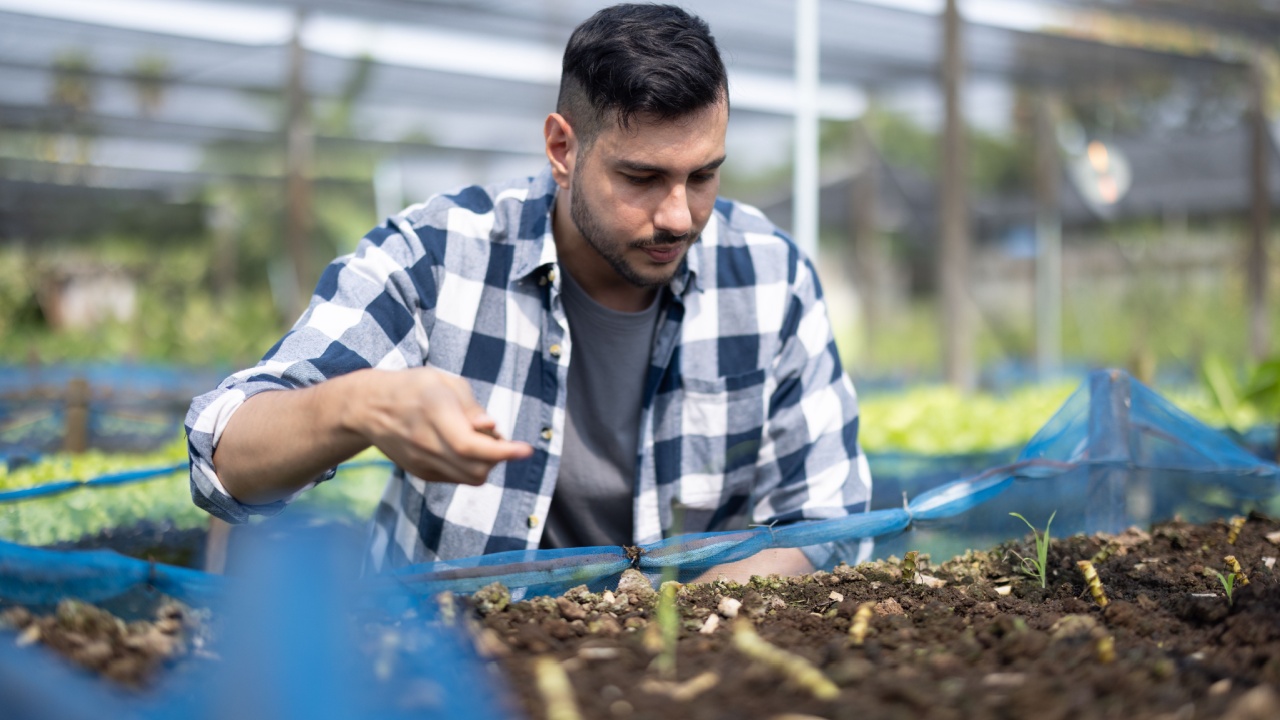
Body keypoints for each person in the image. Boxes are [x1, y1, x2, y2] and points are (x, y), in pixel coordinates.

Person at [185, 3, 871, 581]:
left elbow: (830, 515)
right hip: (451, 675)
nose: (678, 215)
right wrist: (360, 405)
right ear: (561, 149)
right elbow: (225, 457)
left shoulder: (769, 278)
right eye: (641, 178)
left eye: (703, 176)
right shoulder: (438, 256)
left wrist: (691, 610)